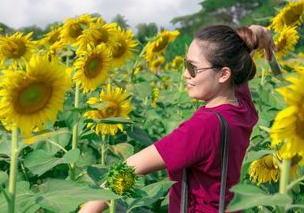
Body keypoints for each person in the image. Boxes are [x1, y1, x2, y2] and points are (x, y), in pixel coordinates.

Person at [79, 24, 275, 213]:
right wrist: (257, 36)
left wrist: (88, 209)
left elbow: (131, 167)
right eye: (185, 65)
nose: (185, 74)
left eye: (193, 68)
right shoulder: (242, 106)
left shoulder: (204, 127)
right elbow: (243, 50)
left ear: (224, 74)